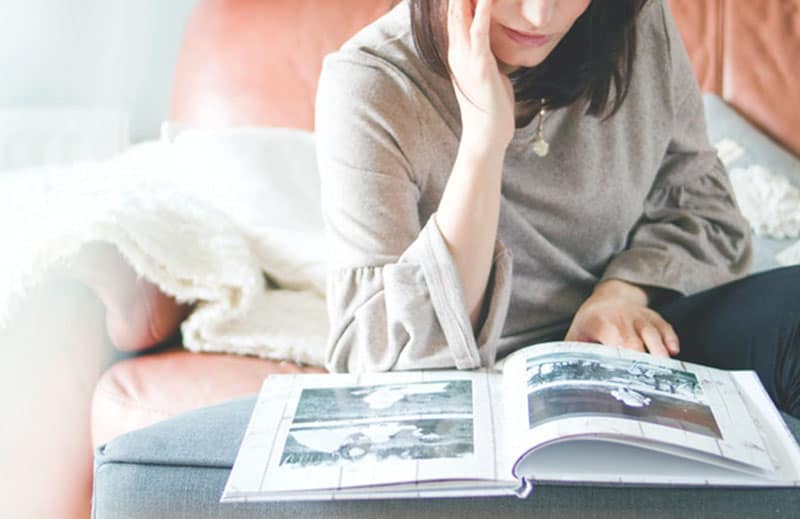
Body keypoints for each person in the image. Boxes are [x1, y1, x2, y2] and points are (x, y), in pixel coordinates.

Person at [314, 0, 800, 417]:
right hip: (483, 391)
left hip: (632, 340)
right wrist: (484, 141)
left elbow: (705, 209)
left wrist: (620, 295)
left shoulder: (632, 22)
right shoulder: (371, 85)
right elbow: (383, 366)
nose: (540, 15)